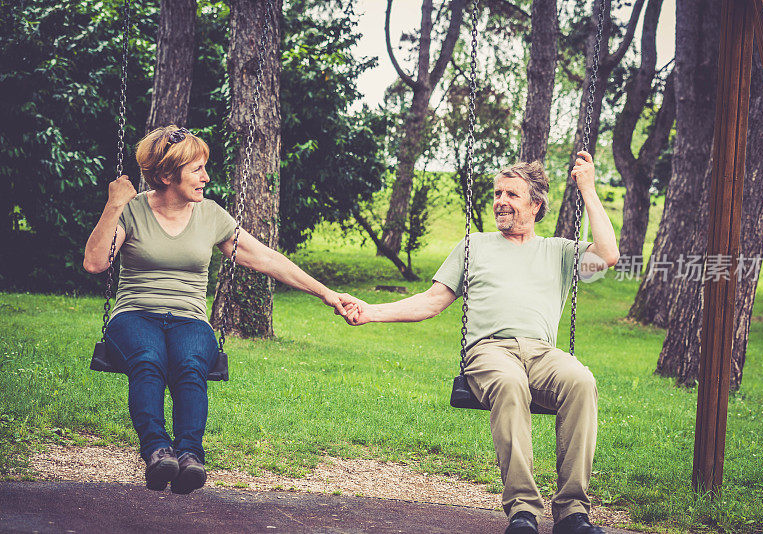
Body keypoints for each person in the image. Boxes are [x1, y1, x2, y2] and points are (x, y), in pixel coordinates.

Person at [343, 152, 618, 534]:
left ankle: (573, 513)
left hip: (542, 353)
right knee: (509, 383)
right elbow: (432, 301)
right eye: (498, 193)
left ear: (535, 205)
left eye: (512, 195)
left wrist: (587, 187)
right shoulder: (475, 246)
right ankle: (523, 510)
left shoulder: (559, 251)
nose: (500, 201)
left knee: (581, 381)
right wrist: (372, 311)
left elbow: (608, 255)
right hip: (489, 352)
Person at [83, 125, 359, 494]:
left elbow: (267, 259)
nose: (206, 178)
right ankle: (156, 451)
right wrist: (114, 204)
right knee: (148, 359)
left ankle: (189, 456)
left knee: (190, 364)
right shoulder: (131, 211)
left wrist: (326, 293)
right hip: (134, 314)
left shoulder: (211, 216)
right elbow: (95, 262)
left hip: (190, 319)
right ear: (167, 175)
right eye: (196, 170)